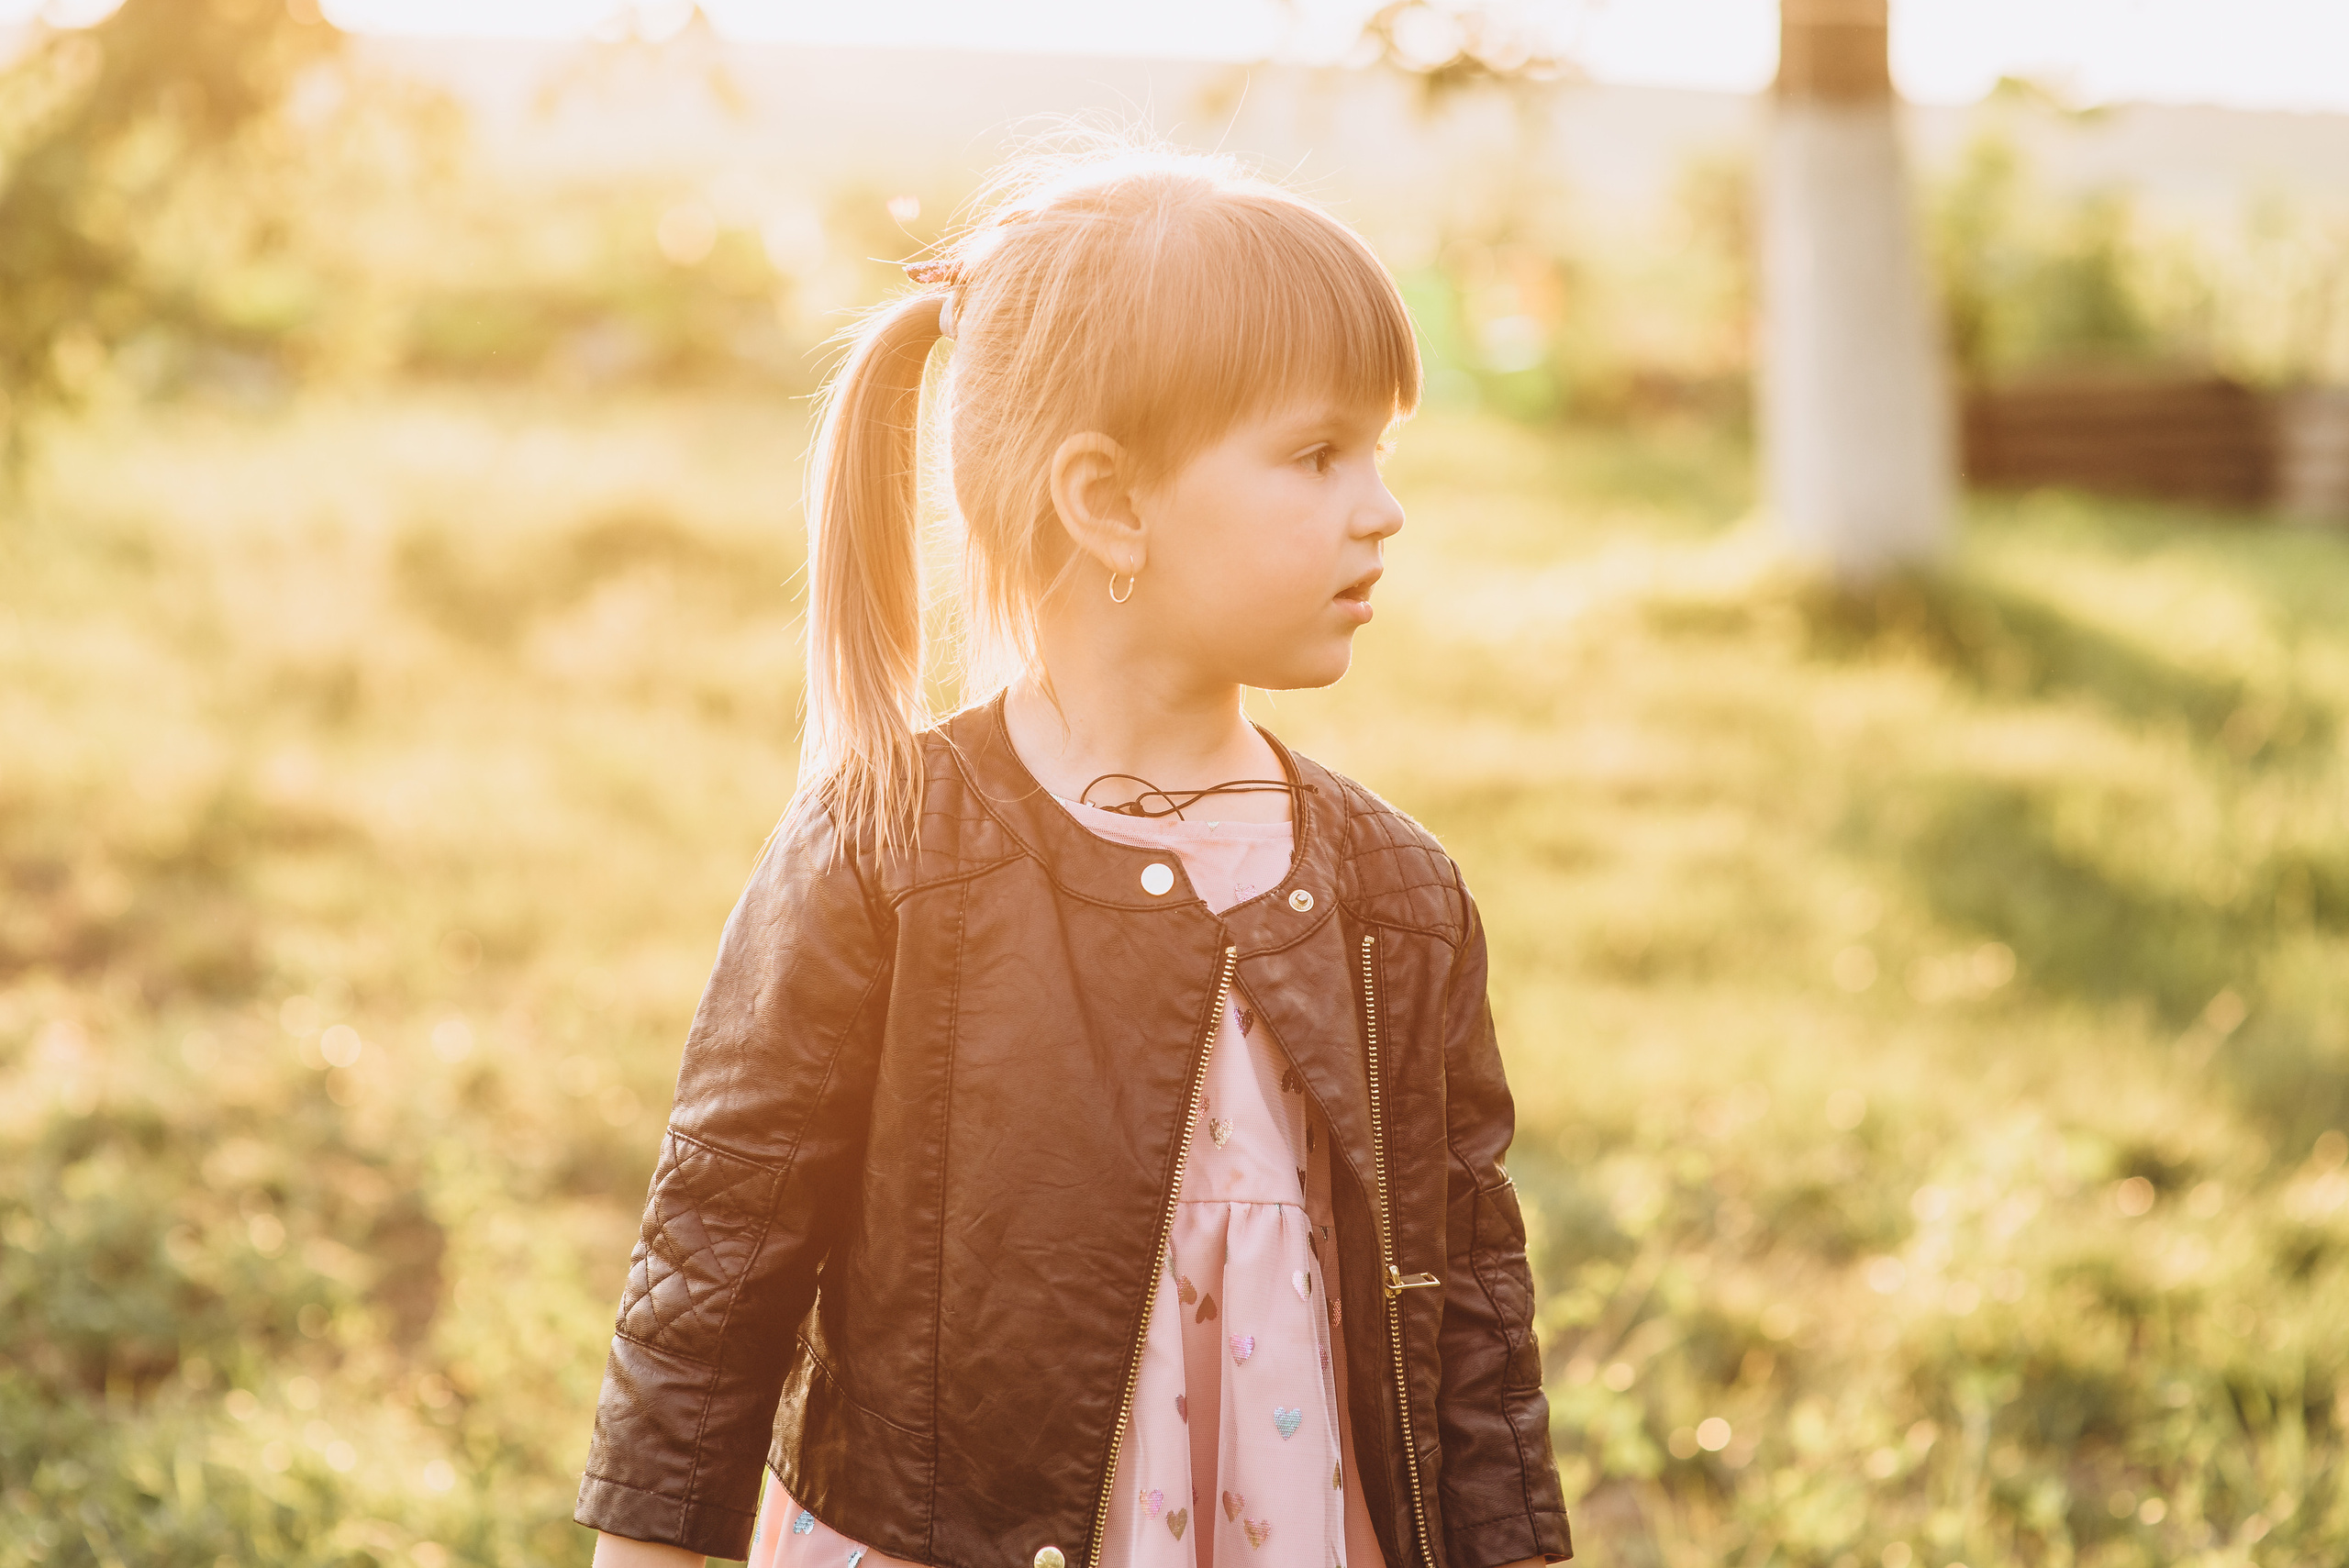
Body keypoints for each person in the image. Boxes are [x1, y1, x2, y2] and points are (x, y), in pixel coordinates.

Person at [576, 139, 1569, 1568]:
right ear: (1109, 502)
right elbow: (720, 1256)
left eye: (1382, 454)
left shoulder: (1394, 899)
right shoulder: (893, 849)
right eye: (1315, 454)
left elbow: (1472, 1298)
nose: (1382, 508)